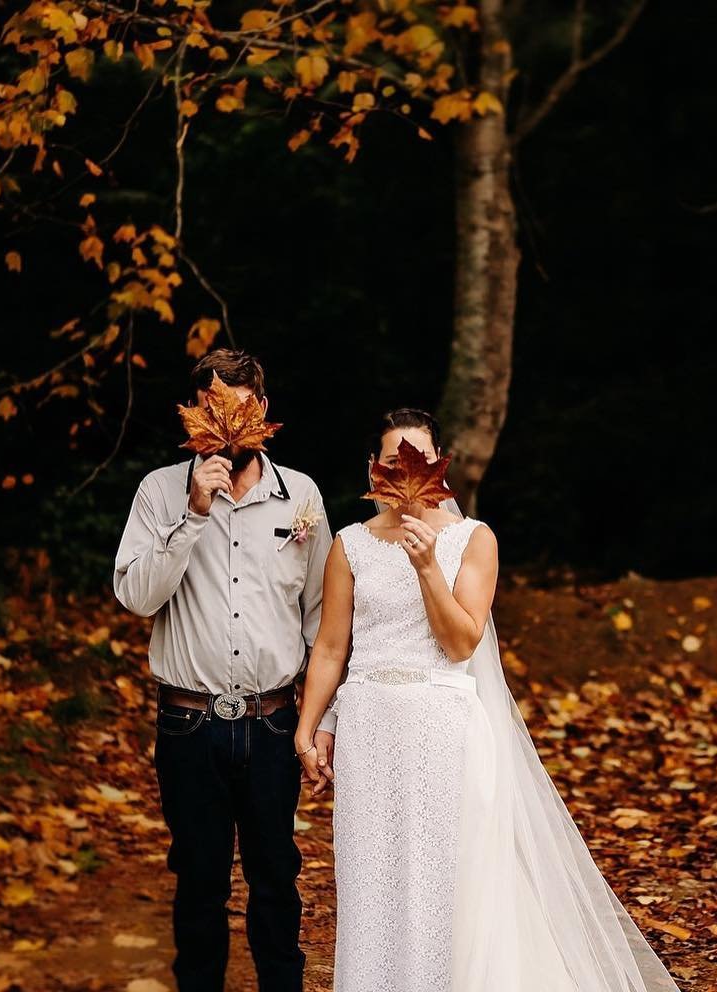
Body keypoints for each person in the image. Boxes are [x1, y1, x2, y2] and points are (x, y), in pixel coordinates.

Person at [295, 408, 683, 992]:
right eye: (391, 460)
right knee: (372, 880)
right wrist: (309, 727)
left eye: (418, 460)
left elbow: (459, 643)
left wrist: (426, 566)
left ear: (438, 469)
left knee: (448, 881)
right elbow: (330, 646)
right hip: (369, 729)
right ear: (372, 469)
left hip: (444, 730)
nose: (404, 472)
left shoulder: (474, 540)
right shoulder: (350, 545)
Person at [112, 348, 337, 992]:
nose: (226, 422)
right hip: (189, 724)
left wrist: (321, 720)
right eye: (212, 409)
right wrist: (193, 512)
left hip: (272, 723)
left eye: (238, 408)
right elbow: (136, 598)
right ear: (193, 417)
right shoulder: (159, 492)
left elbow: (322, 617)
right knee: (200, 880)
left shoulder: (304, 496)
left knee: (275, 877)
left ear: (261, 411)